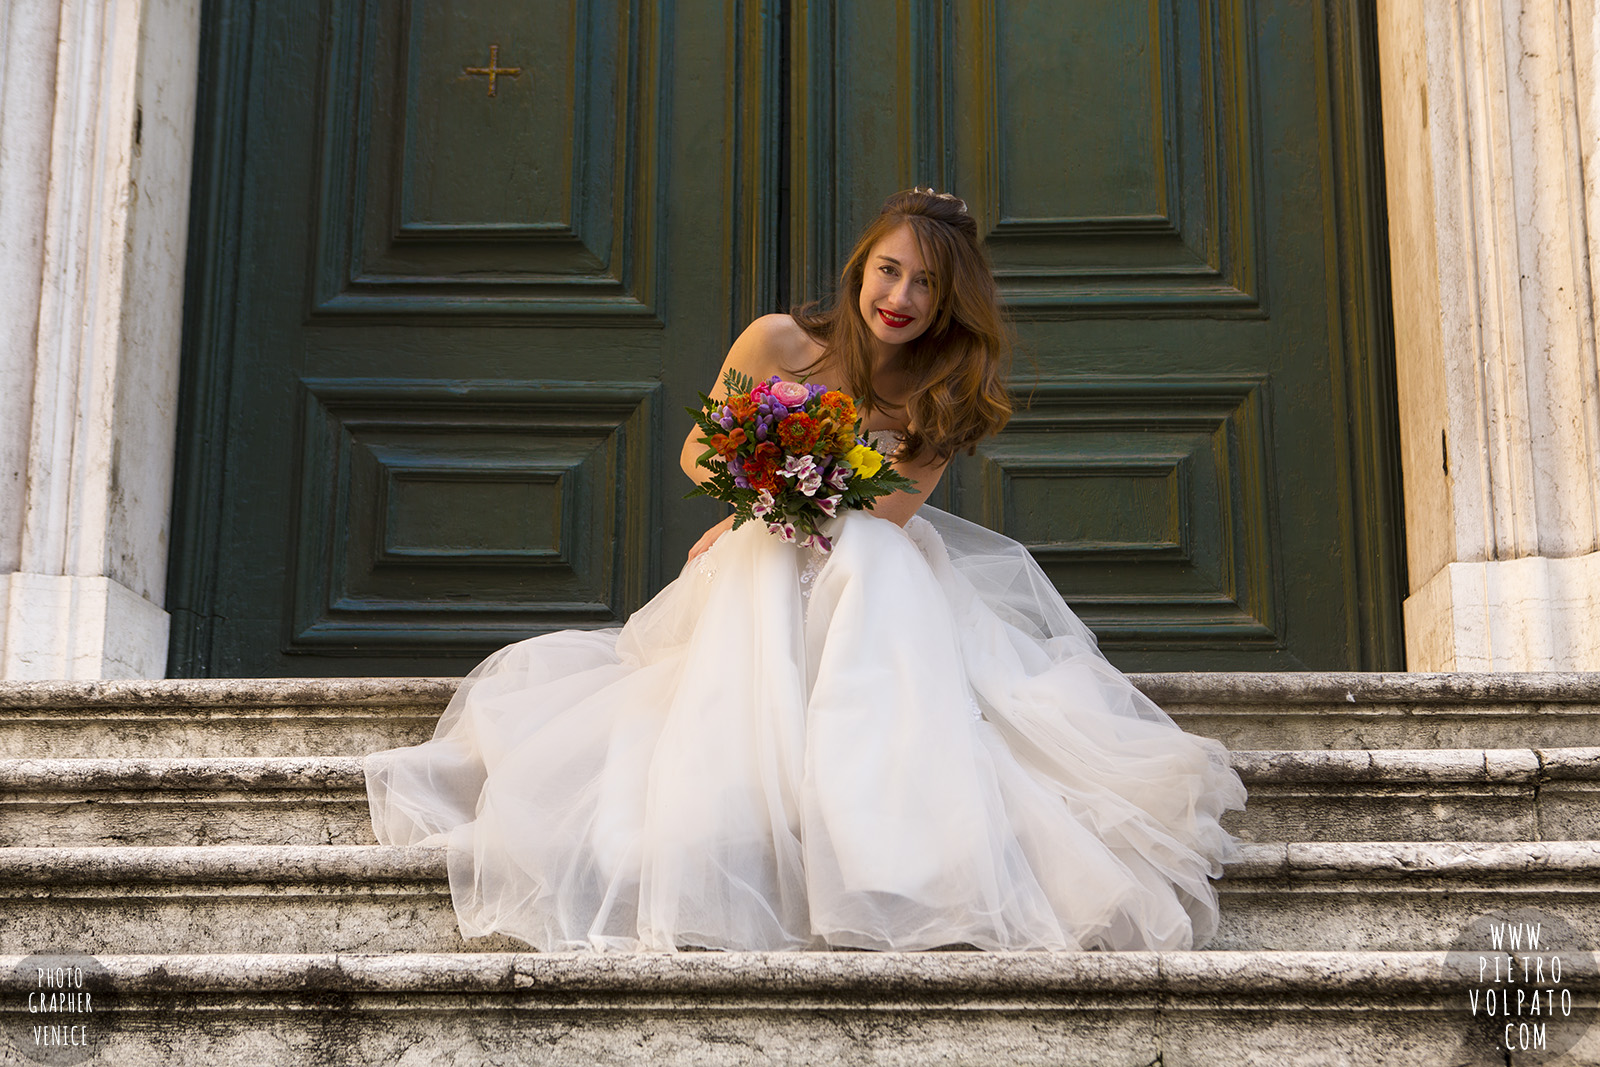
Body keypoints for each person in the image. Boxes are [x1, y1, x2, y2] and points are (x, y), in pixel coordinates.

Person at [364, 188, 1247, 953]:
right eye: (890, 270)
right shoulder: (779, 343)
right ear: (862, 267)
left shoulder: (941, 393)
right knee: (778, 557)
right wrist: (756, 503)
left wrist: (797, 495)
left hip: (871, 577)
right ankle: (749, 811)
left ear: (950, 304)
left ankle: (876, 836)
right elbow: (698, 453)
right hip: (769, 556)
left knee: (867, 550)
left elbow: (884, 515)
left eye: (928, 284)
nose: (900, 296)